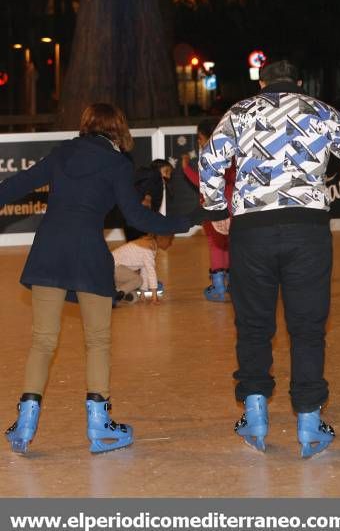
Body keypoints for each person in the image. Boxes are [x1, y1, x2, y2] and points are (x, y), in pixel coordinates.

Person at [1, 103, 225, 455]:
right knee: (98, 341)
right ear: (119, 130)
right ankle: (100, 426)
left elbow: (13, 187)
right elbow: (139, 217)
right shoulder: (118, 164)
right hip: (89, 256)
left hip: (48, 253)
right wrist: (194, 217)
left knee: (43, 341)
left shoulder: (62, 153)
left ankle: (24, 425)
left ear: (87, 125)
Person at [200, 59, 340, 457]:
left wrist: (218, 210)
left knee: (253, 325)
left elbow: (210, 160)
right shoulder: (321, 110)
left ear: (262, 82)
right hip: (307, 230)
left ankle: (254, 414)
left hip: (252, 231)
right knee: (307, 327)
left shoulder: (239, 112)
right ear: (300, 83)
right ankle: (308, 420)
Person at [182, 119, 235, 302]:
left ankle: (219, 287)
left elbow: (201, 182)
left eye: (199, 138)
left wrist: (185, 168)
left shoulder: (208, 156)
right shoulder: (232, 153)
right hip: (232, 206)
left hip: (212, 205)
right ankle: (230, 283)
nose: (199, 142)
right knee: (229, 244)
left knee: (214, 244)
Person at [112, 233, 174, 304]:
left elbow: (145, 272)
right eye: (170, 241)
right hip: (113, 267)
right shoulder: (148, 249)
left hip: (115, 271)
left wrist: (142, 293)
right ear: (162, 239)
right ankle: (115, 295)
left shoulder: (149, 245)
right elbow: (151, 273)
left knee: (134, 297)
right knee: (138, 280)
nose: (171, 244)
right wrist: (154, 297)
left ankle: (117, 292)